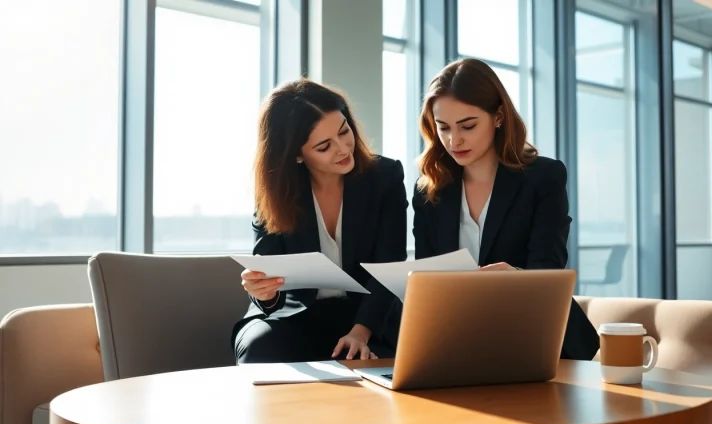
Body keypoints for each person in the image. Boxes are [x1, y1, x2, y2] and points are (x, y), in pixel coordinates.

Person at [412, 58, 600, 361]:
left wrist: (516, 276)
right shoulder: (430, 190)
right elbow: (426, 281)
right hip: (457, 339)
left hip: (534, 333)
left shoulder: (544, 178)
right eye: (443, 127)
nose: (454, 140)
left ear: (498, 116)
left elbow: (549, 269)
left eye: (468, 126)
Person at [232, 79, 407, 364]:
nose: (343, 149)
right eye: (324, 146)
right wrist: (263, 292)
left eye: (344, 131)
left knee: (369, 360)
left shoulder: (385, 177)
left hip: (367, 318)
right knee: (260, 348)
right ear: (296, 155)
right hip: (293, 316)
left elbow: (390, 265)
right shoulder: (276, 191)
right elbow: (268, 271)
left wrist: (361, 331)